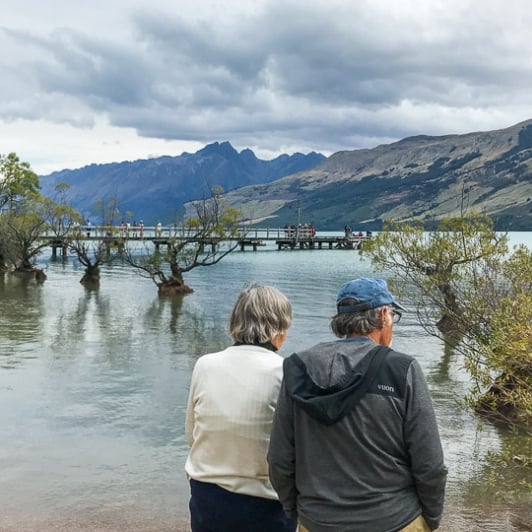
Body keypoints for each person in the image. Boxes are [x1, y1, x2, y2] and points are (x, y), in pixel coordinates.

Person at [268, 278, 447, 532]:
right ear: (384, 315)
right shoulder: (402, 369)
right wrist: (431, 518)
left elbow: (279, 459)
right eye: (393, 314)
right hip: (395, 520)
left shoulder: (298, 369)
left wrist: (299, 512)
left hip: (318, 521)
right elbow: (430, 465)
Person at [185, 284, 297, 532]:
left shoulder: (205, 365)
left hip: (207, 500)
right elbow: (294, 451)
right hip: (266, 506)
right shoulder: (286, 372)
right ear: (279, 329)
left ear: (235, 322)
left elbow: (192, 436)